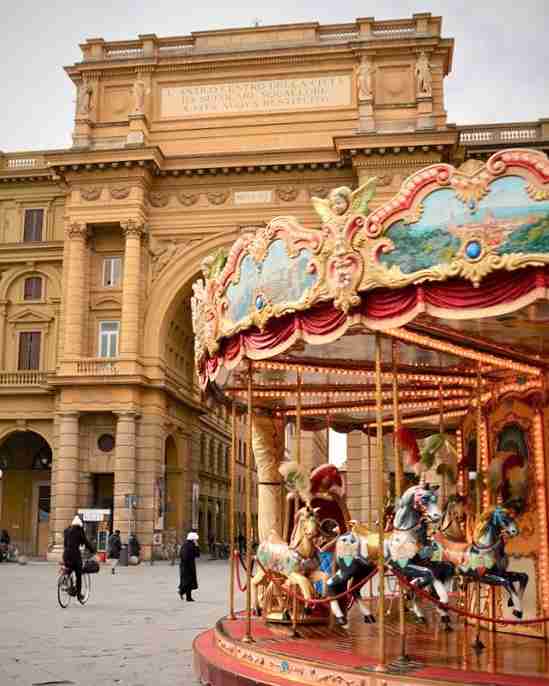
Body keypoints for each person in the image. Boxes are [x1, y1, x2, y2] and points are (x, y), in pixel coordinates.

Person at [63, 516, 95, 600]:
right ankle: (79, 595)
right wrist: (92, 550)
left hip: (66, 555)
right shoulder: (79, 531)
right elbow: (86, 542)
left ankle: (66, 581)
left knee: (69, 568)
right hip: (75, 555)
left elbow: (65, 544)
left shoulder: (66, 531)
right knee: (78, 574)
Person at [179, 531, 200, 601]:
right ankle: (185, 594)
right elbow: (197, 555)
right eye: (195, 539)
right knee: (188, 581)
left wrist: (196, 546)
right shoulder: (190, 545)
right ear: (193, 539)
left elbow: (196, 555)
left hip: (185, 566)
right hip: (188, 566)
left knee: (187, 581)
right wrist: (196, 546)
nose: (196, 540)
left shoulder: (185, 544)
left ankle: (185, 594)